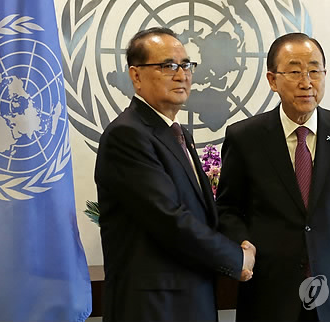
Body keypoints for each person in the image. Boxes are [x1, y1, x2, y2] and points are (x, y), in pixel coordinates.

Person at [94, 27, 255, 322]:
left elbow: (202, 215)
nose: (182, 74)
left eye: (186, 65)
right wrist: (236, 258)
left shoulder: (179, 134)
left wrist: (239, 239)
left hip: (192, 299)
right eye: (168, 65)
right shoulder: (127, 135)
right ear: (136, 75)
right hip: (152, 308)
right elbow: (169, 219)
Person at [216, 32, 330, 322]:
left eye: (314, 70)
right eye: (294, 71)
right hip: (269, 290)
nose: (306, 82)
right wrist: (242, 244)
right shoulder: (245, 137)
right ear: (272, 79)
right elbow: (228, 208)